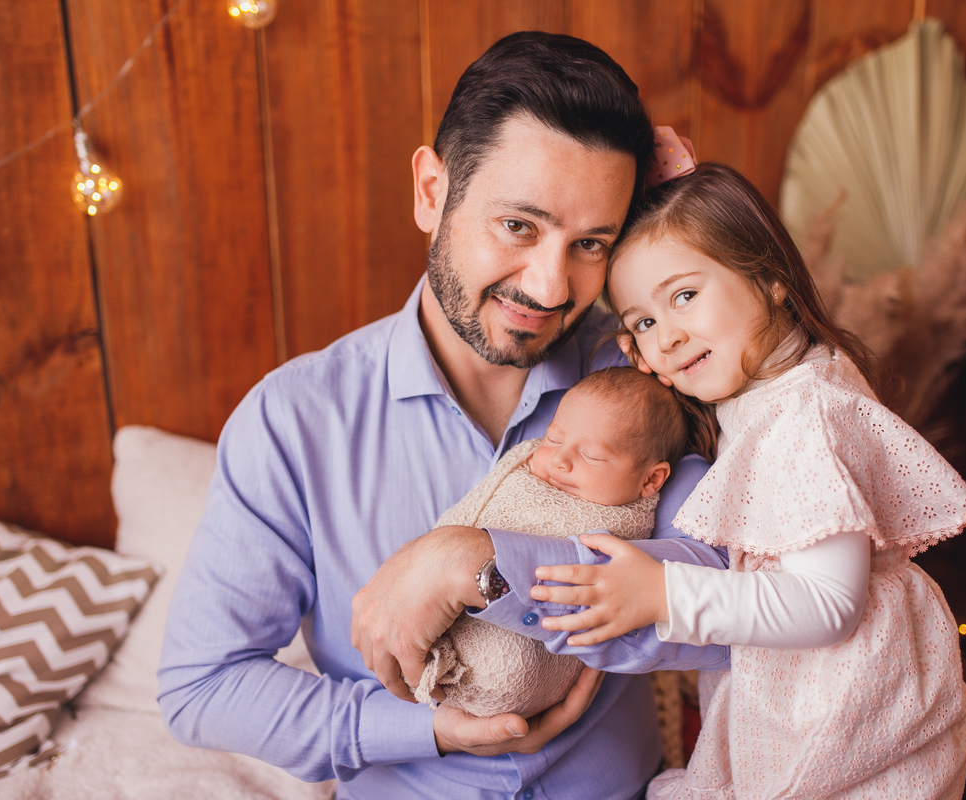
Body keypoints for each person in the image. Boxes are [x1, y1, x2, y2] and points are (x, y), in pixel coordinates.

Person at [158, 32, 729, 800]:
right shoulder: (292, 422)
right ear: (432, 192)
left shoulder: (652, 376)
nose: (553, 287)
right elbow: (202, 686)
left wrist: (479, 563)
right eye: (519, 226)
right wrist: (418, 731)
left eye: (590, 242)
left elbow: (736, 604)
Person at [532, 162, 966, 799]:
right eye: (643, 322)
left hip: (848, 711)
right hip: (811, 695)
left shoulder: (804, 417)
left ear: (770, 277)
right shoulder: (775, 383)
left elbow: (829, 605)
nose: (669, 337)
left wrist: (666, 592)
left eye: (685, 296)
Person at [417, 366, 716, 719]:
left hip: (540, 686)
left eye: (590, 456)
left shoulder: (636, 518)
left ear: (651, 480)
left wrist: (472, 564)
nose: (559, 459)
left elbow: (710, 593)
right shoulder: (530, 464)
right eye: (553, 439)